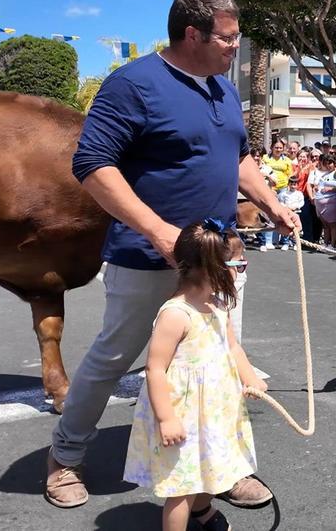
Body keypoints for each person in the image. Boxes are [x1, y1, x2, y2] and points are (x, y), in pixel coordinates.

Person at [46, 0, 297, 510]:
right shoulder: (132, 85)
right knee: (114, 357)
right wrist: (159, 233)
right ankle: (66, 457)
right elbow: (92, 165)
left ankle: (221, 466)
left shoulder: (223, 90)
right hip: (147, 258)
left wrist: (271, 202)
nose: (235, 47)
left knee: (222, 363)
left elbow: (238, 157)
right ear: (191, 34)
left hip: (218, 262)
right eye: (228, 39)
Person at [122, 221, 264, 531]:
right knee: (182, 485)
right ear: (213, 268)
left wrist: (250, 377)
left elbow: (233, 347)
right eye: (237, 264)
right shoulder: (176, 314)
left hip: (212, 409)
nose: (240, 271)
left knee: (209, 466)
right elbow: (155, 369)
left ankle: (203, 511)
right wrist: (166, 419)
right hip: (183, 413)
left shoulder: (217, 306)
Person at [310, 153, 336, 249]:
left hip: (331, 202)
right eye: (326, 163)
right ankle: (326, 243)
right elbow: (320, 186)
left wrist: (330, 189)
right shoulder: (324, 174)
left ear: (334, 163)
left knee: (333, 225)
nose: (328, 165)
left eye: (330, 163)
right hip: (320, 203)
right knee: (326, 225)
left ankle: (333, 245)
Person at [277, 175, 305, 251]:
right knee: (286, 227)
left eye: (294, 184)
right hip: (287, 213)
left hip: (296, 212)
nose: (293, 186)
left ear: (297, 185)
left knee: (296, 228)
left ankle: (295, 243)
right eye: (291, 184)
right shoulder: (284, 194)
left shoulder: (299, 194)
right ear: (288, 184)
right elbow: (281, 202)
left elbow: (301, 202)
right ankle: (285, 243)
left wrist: (296, 207)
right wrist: (286, 207)